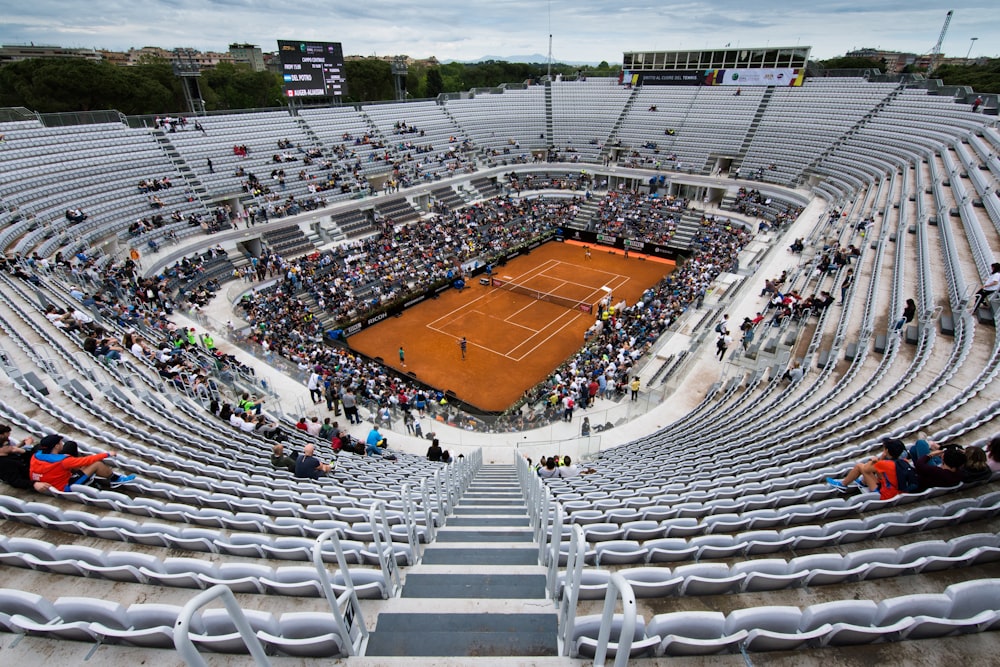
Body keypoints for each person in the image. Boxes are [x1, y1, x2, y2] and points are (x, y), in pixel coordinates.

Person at [30, 434, 135, 491]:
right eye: (60, 443)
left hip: (49, 483)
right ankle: (115, 480)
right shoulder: (62, 461)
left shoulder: (36, 455)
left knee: (83, 465)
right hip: (64, 486)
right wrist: (107, 454)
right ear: (56, 446)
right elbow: (85, 460)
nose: (62, 444)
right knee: (96, 464)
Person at [825, 437, 906, 500]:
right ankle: (862, 482)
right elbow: (881, 474)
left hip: (886, 493)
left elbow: (867, 469)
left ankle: (843, 484)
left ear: (887, 450)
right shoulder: (904, 461)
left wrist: (873, 460)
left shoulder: (887, 464)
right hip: (897, 491)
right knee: (873, 467)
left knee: (860, 466)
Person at [0, 426, 35, 490]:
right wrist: (34, 484)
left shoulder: (8, 454)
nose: (11, 446)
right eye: (7, 444)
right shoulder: (5, 463)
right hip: (33, 476)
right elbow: (15, 481)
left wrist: (23, 451)